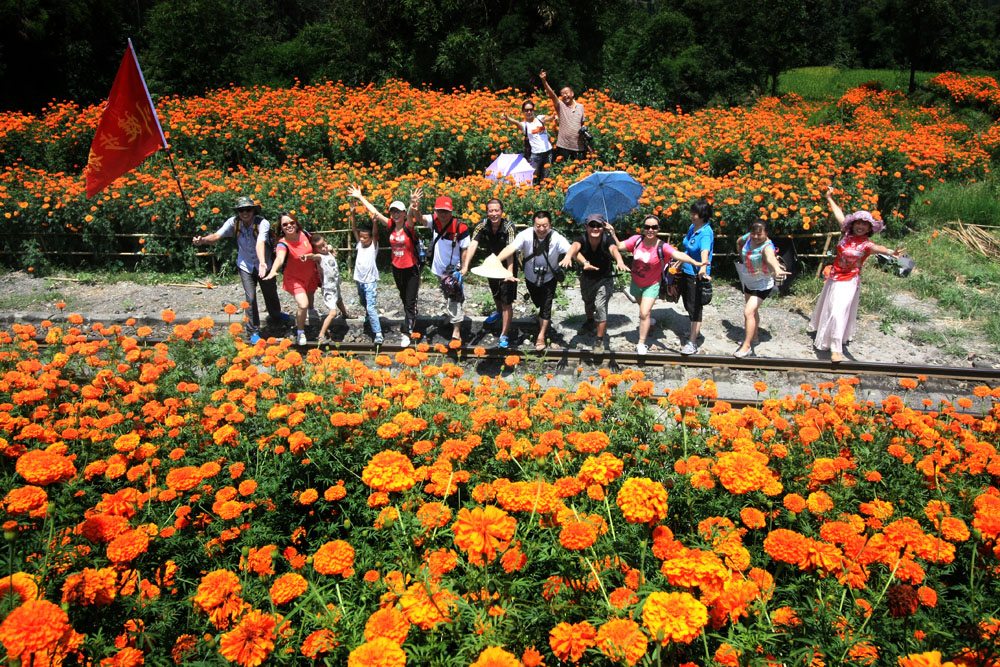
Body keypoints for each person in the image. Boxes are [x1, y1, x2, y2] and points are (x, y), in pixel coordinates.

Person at [809, 187, 905, 362]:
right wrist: (829, 198)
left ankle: (836, 349)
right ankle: (825, 333)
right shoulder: (846, 235)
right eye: (858, 223)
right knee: (829, 308)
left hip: (850, 281)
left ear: (869, 228)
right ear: (852, 225)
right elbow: (839, 214)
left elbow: (878, 248)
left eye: (864, 224)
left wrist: (891, 252)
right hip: (834, 278)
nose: (860, 226)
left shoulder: (866, 245)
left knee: (838, 311)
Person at [192, 196, 288, 344]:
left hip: (265, 264)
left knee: (270, 292)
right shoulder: (233, 222)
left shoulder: (262, 223)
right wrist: (203, 240)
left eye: (248, 209)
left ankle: (276, 315)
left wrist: (263, 262)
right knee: (250, 298)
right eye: (241, 210)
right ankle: (253, 331)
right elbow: (217, 235)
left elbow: (260, 242)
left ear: (253, 211)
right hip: (245, 265)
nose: (245, 213)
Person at [617, 214, 703, 355]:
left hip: (652, 284)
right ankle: (649, 320)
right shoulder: (636, 240)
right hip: (636, 283)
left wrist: (695, 262)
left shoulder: (662, 246)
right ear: (643, 228)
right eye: (647, 227)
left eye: (654, 227)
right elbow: (619, 246)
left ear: (658, 229)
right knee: (644, 310)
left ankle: (641, 343)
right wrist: (611, 233)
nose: (650, 230)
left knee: (643, 313)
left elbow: (678, 254)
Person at [348, 184, 421, 346]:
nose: (395, 214)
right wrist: (360, 198)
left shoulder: (408, 227)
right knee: (404, 298)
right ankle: (411, 317)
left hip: (411, 269)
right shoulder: (390, 226)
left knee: (410, 302)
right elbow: (375, 212)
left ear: (403, 213)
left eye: (398, 211)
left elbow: (411, 215)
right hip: (397, 269)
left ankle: (408, 332)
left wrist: (411, 204)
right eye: (393, 212)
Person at [496, 211, 571, 351]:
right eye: (538, 226)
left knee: (546, 306)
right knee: (538, 302)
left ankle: (541, 336)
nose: (541, 229)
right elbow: (510, 248)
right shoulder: (525, 235)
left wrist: (574, 258)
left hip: (549, 278)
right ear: (533, 225)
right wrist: (496, 260)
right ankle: (540, 316)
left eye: (545, 226)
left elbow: (572, 249)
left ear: (550, 225)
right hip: (531, 277)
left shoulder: (557, 238)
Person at [562, 213, 629, 355]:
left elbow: (614, 249)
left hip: (604, 278)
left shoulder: (607, 239)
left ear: (603, 227)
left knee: (600, 306)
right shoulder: (582, 238)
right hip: (587, 277)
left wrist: (620, 261)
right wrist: (568, 256)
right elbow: (574, 247)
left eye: (598, 225)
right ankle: (590, 321)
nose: (595, 228)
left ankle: (599, 340)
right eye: (592, 225)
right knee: (588, 302)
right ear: (586, 227)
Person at [411, 192, 470, 342]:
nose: (443, 214)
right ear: (436, 211)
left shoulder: (460, 227)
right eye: (440, 211)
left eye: (446, 211)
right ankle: (452, 316)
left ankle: (456, 331)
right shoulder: (435, 220)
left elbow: (465, 249)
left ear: (451, 211)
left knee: (454, 299)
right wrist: (415, 206)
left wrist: (464, 267)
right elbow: (420, 218)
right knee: (448, 295)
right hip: (439, 269)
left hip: (453, 271)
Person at [460, 199, 518, 348]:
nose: (494, 213)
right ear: (487, 212)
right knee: (495, 290)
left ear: (502, 212)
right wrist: (465, 265)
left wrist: (510, 272)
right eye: (490, 211)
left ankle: (504, 334)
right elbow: (473, 244)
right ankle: (498, 311)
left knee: (506, 300)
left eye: (496, 210)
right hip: (491, 264)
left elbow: (511, 250)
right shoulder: (482, 225)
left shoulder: (509, 227)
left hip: (506, 264)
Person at [733, 221, 790, 358]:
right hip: (748, 280)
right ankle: (754, 337)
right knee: (753, 312)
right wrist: (742, 257)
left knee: (748, 312)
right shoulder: (749, 238)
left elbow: (771, 258)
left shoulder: (767, 247)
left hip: (762, 284)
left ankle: (747, 346)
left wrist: (777, 269)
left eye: (759, 234)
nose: (756, 237)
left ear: (766, 233)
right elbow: (739, 242)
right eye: (753, 233)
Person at [263, 211, 319, 346]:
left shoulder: (304, 234)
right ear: (281, 228)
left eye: (291, 222)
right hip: (294, 279)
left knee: (311, 294)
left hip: (310, 274)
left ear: (296, 223)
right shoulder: (282, 244)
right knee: (303, 304)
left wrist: (327, 249)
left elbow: (316, 245)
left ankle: (311, 311)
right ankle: (300, 332)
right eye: (285, 224)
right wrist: (273, 270)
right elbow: (280, 258)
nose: (289, 226)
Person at [677, 200, 716, 355]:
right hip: (686, 271)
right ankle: (695, 331)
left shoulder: (706, 232)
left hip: (696, 274)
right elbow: (688, 248)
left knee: (695, 308)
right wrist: (680, 261)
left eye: (696, 214)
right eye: (692, 212)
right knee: (688, 304)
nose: (692, 216)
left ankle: (692, 342)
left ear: (703, 215)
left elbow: (704, 252)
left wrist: (703, 268)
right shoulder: (693, 227)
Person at [301, 234, 350, 342]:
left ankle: (345, 314)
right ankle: (321, 334)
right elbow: (313, 256)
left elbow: (330, 247)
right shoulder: (320, 257)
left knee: (339, 299)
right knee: (333, 313)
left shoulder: (328, 251)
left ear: (325, 241)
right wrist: (306, 256)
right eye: (320, 247)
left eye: (324, 245)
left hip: (335, 285)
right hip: (328, 288)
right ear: (316, 249)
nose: (323, 248)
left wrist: (331, 250)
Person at [349, 209, 383, 345]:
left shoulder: (373, 247)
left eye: (365, 237)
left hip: (370, 283)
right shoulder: (359, 245)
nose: (362, 239)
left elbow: (375, 234)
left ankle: (378, 333)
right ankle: (368, 316)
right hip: (359, 281)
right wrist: (352, 213)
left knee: (371, 307)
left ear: (371, 238)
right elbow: (354, 228)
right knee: (363, 302)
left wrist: (374, 222)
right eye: (361, 237)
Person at [501, 101, 552, 185]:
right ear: (523, 112)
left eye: (531, 110)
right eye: (526, 110)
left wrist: (553, 116)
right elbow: (516, 123)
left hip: (548, 152)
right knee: (533, 176)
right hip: (536, 154)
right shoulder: (525, 125)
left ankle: (544, 190)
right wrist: (508, 118)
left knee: (546, 175)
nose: (529, 112)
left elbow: (547, 119)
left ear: (534, 110)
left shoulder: (540, 119)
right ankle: (533, 190)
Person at [540, 69, 586, 162]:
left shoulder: (580, 107)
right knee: (564, 167)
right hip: (564, 146)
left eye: (566, 93)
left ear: (572, 94)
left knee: (579, 168)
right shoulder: (561, 106)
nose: (565, 95)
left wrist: (584, 129)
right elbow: (552, 95)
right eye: (562, 94)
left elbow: (582, 123)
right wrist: (544, 81)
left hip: (578, 146)